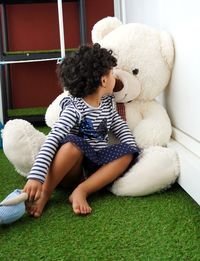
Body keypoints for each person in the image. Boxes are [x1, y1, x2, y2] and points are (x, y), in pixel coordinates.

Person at [23, 43, 140, 216]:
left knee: (127, 153)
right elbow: (53, 138)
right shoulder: (74, 108)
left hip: (96, 166)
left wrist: (132, 148)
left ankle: (82, 190)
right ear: (104, 80)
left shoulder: (108, 103)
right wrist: (36, 176)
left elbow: (118, 125)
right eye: (112, 73)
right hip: (72, 169)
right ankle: (46, 192)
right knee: (72, 145)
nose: (114, 76)